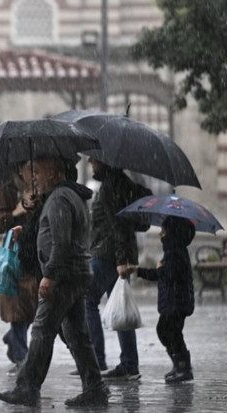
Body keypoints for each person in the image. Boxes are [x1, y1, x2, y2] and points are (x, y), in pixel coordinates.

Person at [0, 155, 109, 407]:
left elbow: (61, 242)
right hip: (75, 274)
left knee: (42, 330)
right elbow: (55, 234)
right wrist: (30, 226)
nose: (34, 177)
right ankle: (95, 388)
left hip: (63, 277)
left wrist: (49, 275)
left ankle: (27, 388)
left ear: (55, 174)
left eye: (39, 172)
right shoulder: (66, 196)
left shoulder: (59, 199)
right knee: (77, 335)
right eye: (31, 171)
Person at [85, 157, 152, 380]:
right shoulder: (122, 182)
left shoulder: (110, 187)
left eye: (93, 158)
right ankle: (129, 363)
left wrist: (121, 260)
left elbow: (118, 225)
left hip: (107, 255)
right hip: (116, 255)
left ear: (104, 161)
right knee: (121, 307)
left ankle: (96, 359)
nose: (89, 162)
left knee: (87, 300)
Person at [122, 216, 195, 384]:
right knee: (167, 332)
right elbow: (162, 275)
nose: (160, 235)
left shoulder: (176, 253)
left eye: (163, 231)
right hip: (173, 302)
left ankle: (183, 367)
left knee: (171, 333)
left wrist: (160, 268)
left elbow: (169, 275)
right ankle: (179, 365)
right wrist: (139, 271)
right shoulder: (172, 251)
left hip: (176, 303)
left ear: (172, 233)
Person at [0, 162, 40, 374]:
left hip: (35, 253)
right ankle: (20, 355)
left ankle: (15, 339)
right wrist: (15, 212)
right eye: (30, 169)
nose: (34, 174)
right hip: (14, 254)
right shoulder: (9, 191)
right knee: (17, 306)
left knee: (32, 305)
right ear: (20, 171)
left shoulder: (42, 191)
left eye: (36, 169)